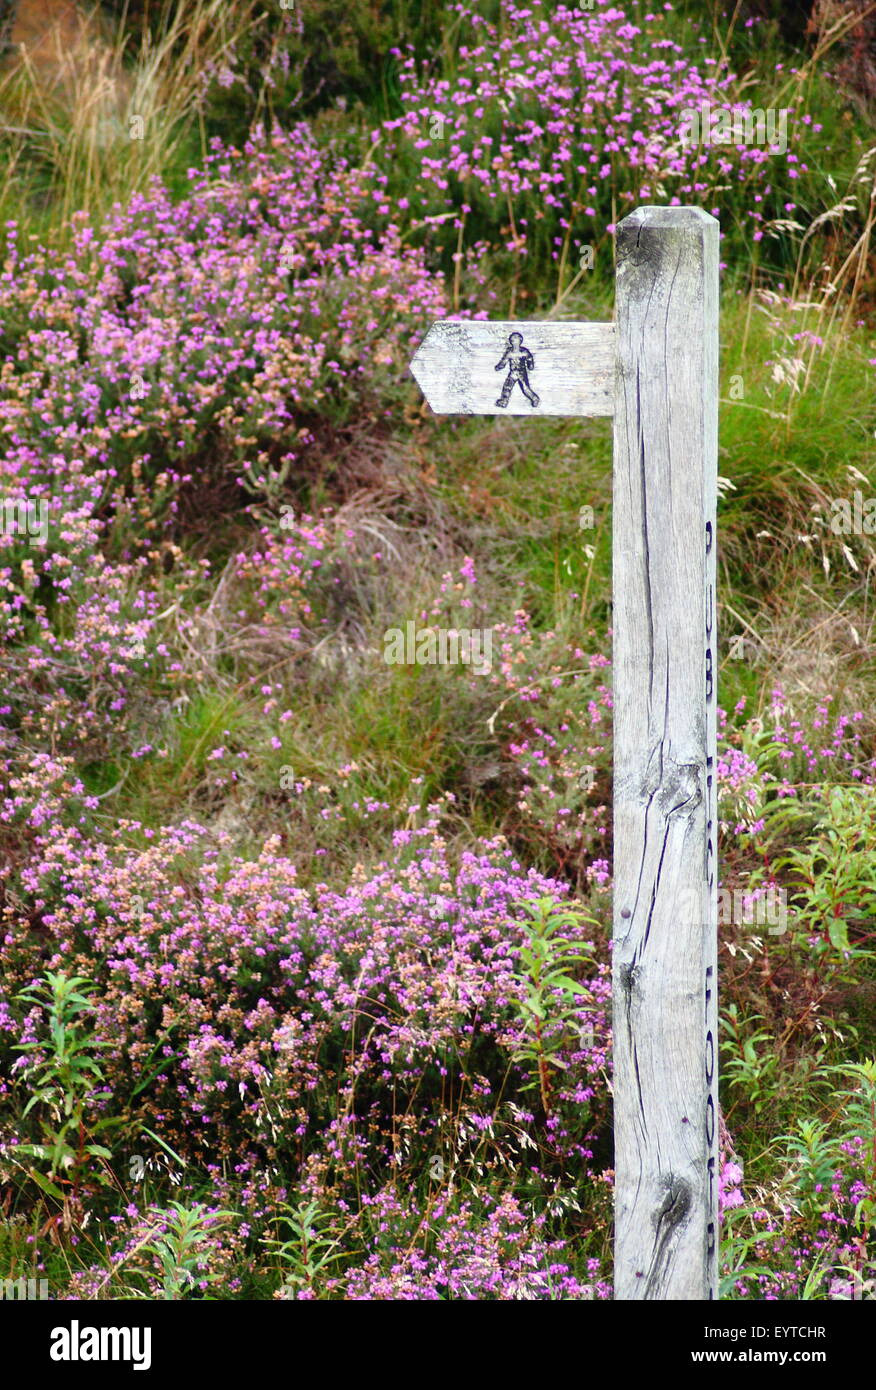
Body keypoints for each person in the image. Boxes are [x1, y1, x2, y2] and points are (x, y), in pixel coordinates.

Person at [494, 332, 540, 408]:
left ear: (520, 340)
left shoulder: (524, 352)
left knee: (525, 388)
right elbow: (503, 362)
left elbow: (529, 359)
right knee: (507, 387)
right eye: (513, 337)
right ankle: (504, 401)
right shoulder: (509, 352)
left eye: (515, 337)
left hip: (521, 372)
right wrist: (498, 367)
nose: (513, 339)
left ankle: (535, 398)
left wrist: (530, 365)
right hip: (513, 372)